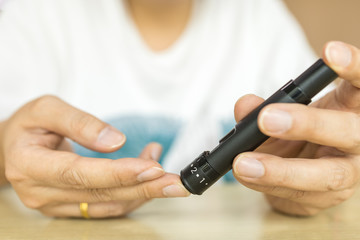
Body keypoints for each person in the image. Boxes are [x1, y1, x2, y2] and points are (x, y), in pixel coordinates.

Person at [0, 0, 359, 218]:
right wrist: (6, 155)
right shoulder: (35, 17)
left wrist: (315, 178)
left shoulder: (260, 16)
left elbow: (322, 145)